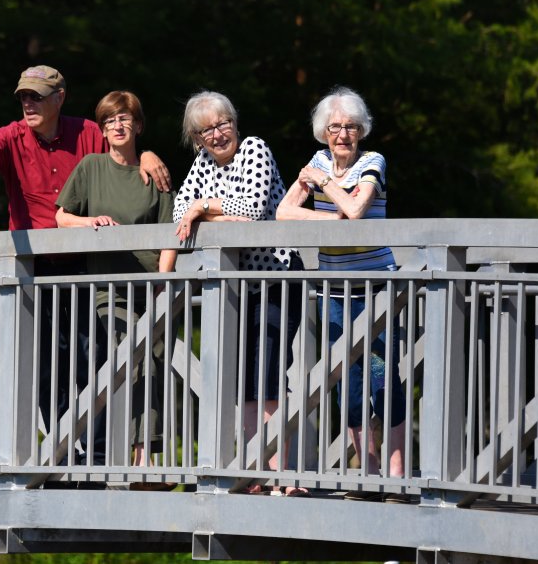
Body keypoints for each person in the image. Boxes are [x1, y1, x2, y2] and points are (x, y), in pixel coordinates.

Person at [0, 65, 171, 469]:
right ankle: (64, 453)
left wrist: (149, 154)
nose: (29, 103)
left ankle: (97, 456)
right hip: (34, 271)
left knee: (94, 357)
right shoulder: (12, 135)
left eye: (37, 96)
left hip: (84, 268)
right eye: (24, 97)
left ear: (59, 97)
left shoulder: (85, 132)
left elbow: (124, 140)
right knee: (45, 364)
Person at [276, 86, 407, 502]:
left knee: (383, 380)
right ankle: (368, 474)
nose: (343, 134)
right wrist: (326, 206)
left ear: (361, 130)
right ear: (323, 132)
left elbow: (355, 211)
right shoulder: (317, 162)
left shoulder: (373, 161)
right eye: (335, 127)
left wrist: (326, 187)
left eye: (350, 126)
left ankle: (397, 475)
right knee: (347, 384)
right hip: (334, 291)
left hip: (377, 289)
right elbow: (282, 213)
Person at [173, 91, 306, 497]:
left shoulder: (254, 149)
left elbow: (250, 212)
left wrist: (205, 207)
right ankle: (256, 474)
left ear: (234, 122)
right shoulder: (201, 164)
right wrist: (207, 209)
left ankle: (282, 476)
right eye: (206, 130)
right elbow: (179, 213)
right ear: (196, 139)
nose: (216, 134)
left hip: (275, 278)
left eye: (222, 123)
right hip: (235, 288)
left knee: (267, 375)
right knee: (246, 382)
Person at [55, 91, 177, 489]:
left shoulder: (153, 172)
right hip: (110, 289)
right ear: (103, 130)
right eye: (109, 122)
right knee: (132, 362)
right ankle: (126, 460)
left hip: (152, 285)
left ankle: (146, 464)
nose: (117, 127)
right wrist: (88, 224)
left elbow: (170, 234)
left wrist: (164, 281)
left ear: (138, 126)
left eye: (124, 119)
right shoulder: (90, 167)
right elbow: (61, 217)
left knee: (157, 366)